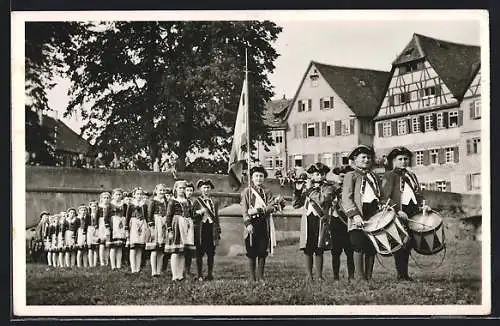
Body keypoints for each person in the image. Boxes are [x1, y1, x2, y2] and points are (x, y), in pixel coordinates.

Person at [381, 146, 431, 281]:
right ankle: (401, 275)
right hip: (399, 212)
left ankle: (405, 273)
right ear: (394, 161)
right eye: (400, 159)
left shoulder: (412, 175)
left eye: (405, 159)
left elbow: (418, 193)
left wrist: (424, 206)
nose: (403, 162)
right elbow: (385, 197)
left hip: (413, 210)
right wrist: (397, 210)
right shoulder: (389, 175)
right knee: (401, 243)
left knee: (409, 243)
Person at [342, 145, 381, 281]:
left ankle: (368, 277)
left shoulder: (374, 177)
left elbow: (379, 195)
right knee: (358, 244)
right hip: (358, 212)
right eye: (363, 157)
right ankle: (359, 277)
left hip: (373, 212)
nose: (366, 160)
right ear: (355, 159)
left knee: (371, 245)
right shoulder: (350, 175)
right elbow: (346, 198)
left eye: (369, 157)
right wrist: (355, 215)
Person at [293, 162, 337, 282]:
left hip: (320, 219)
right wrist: (297, 192)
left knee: (319, 247)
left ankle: (319, 275)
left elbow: (322, 200)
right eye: (316, 174)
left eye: (321, 174)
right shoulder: (307, 187)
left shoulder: (328, 187)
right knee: (308, 247)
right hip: (308, 218)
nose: (319, 176)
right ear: (312, 175)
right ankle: (309, 275)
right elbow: (296, 205)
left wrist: (309, 189)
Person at [241, 165, 285, 282]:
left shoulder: (267, 192)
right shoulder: (247, 192)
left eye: (261, 176)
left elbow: (272, 207)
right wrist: (248, 224)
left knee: (262, 250)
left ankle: (260, 276)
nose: (259, 178)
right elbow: (244, 210)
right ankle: (252, 277)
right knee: (251, 250)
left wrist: (259, 210)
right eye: (256, 176)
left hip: (264, 223)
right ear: (252, 177)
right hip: (251, 223)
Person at [164, 180, 196, 282]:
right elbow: (168, 216)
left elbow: (191, 214)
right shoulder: (172, 201)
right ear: (176, 189)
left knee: (183, 251)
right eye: (180, 188)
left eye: (183, 188)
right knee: (175, 250)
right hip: (177, 225)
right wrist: (169, 230)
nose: (182, 190)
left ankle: (180, 275)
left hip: (187, 225)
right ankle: (175, 275)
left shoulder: (188, 201)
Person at [192, 179, 222, 281]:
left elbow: (216, 216)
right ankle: (199, 274)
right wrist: (200, 212)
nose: (206, 189)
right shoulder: (196, 201)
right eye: (204, 187)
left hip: (211, 228)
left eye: (208, 187)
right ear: (200, 189)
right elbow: (192, 215)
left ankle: (210, 274)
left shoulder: (214, 201)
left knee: (211, 252)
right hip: (201, 229)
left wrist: (218, 229)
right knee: (199, 252)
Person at [330, 165, 355, 281]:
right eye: (341, 176)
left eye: (346, 176)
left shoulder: (352, 188)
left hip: (349, 220)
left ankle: (351, 276)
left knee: (350, 251)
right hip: (336, 221)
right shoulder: (332, 188)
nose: (343, 178)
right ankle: (336, 277)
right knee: (335, 251)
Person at [147, 184, 169, 277]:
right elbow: (149, 215)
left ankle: (159, 271)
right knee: (154, 249)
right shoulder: (153, 201)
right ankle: (153, 271)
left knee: (161, 249)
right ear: (156, 191)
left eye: (164, 190)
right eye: (160, 190)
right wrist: (151, 227)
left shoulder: (166, 201)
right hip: (156, 224)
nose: (162, 192)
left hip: (164, 224)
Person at [126, 187, 149, 273]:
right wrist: (126, 228)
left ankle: (138, 268)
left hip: (142, 223)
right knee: (133, 247)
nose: (139, 196)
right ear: (134, 195)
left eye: (140, 194)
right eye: (137, 194)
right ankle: (133, 268)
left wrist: (147, 226)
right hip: (134, 223)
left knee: (139, 247)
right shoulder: (131, 205)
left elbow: (146, 216)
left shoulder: (144, 205)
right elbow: (127, 217)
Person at [108, 188, 127, 270]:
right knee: (113, 246)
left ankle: (119, 264)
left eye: (120, 194)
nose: (118, 196)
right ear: (113, 196)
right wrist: (108, 227)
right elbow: (106, 217)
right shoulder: (110, 205)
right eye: (116, 194)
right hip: (113, 225)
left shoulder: (124, 204)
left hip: (121, 224)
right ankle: (113, 265)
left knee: (119, 246)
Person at [183, 182, 196, 277]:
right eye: (187, 190)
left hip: (189, 225)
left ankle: (187, 270)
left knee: (189, 249)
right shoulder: (180, 201)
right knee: (180, 248)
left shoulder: (191, 202)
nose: (189, 192)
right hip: (181, 224)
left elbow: (192, 214)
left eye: (191, 190)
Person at [97, 192, 112, 267]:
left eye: (107, 198)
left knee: (108, 243)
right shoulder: (99, 207)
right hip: (101, 224)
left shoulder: (110, 207)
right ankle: (102, 261)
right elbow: (96, 217)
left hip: (109, 224)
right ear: (101, 199)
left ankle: (107, 260)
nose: (106, 199)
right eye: (104, 198)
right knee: (102, 243)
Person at [87, 200, 99, 267]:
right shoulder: (88, 215)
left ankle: (94, 264)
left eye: (95, 206)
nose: (94, 207)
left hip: (96, 229)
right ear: (90, 207)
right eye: (93, 206)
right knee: (90, 248)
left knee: (95, 248)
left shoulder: (98, 214)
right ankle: (91, 264)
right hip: (90, 229)